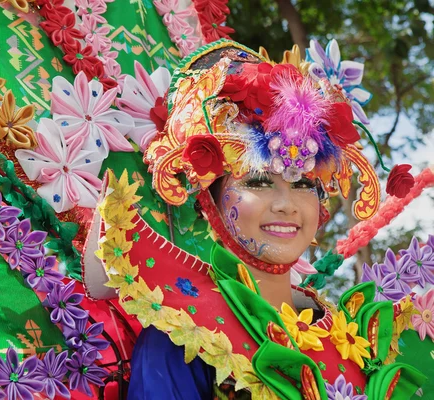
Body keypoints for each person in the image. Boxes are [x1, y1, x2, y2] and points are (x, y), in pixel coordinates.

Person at [83, 40, 431, 399]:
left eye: (303, 185)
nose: (286, 205)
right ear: (209, 200)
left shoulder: (363, 339)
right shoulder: (184, 336)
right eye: (259, 182)